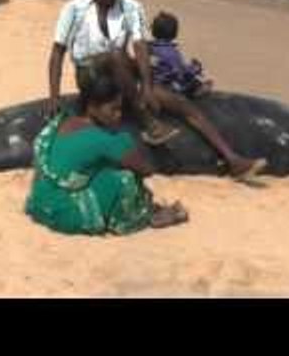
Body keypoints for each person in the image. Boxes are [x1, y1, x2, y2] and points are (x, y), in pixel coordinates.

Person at [47, 0, 264, 178]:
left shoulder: (131, 7)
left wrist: (148, 88)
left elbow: (140, 46)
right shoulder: (73, 9)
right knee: (115, 56)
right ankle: (147, 121)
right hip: (91, 75)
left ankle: (233, 159)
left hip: (121, 75)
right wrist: (54, 97)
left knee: (179, 103)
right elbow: (57, 53)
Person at [26, 61, 189, 236]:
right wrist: (124, 137)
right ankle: (148, 216)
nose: (118, 115)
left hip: (39, 203)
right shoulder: (105, 139)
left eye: (120, 109)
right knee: (125, 178)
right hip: (66, 214)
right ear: (92, 106)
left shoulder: (64, 121)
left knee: (97, 168)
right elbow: (147, 169)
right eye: (113, 109)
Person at [149, 11, 212, 98]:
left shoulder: (148, 47)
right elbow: (180, 71)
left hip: (152, 81)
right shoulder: (171, 52)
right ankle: (196, 91)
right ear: (174, 33)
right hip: (166, 84)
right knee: (191, 81)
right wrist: (194, 68)